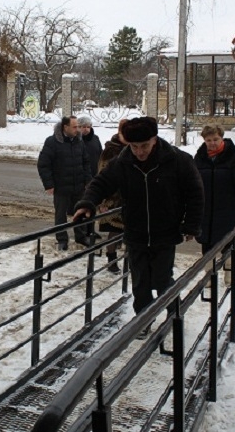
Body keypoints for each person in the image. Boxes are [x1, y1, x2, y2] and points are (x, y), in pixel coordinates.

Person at [73, 116, 204, 337]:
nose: (140, 151)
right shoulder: (123, 162)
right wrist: (88, 203)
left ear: (154, 140)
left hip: (166, 231)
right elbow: (101, 183)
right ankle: (143, 320)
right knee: (140, 280)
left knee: (163, 279)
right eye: (134, 146)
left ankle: (174, 312)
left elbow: (195, 192)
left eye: (144, 146)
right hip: (135, 232)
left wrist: (191, 224)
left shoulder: (178, 160)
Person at [194, 125, 235, 283]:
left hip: (227, 209)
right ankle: (209, 278)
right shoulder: (200, 157)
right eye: (208, 140)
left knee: (228, 243)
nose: (212, 143)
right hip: (206, 210)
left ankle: (229, 274)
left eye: (215, 139)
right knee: (207, 245)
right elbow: (192, 182)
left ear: (222, 137)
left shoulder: (233, 157)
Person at [37, 115, 92, 250]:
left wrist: (87, 180)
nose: (77, 129)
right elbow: (43, 164)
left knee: (80, 212)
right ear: (65, 127)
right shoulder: (52, 142)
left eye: (78, 126)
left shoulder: (79, 141)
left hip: (78, 186)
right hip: (61, 187)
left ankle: (81, 236)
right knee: (61, 215)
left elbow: (85, 162)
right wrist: (49, 184)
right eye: (74, 127)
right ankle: (62, 240)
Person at [97, 118, 128, 274]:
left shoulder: (134, 148)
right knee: (114, 231)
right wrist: (103, 200)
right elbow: (102, 175)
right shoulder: (111, 150)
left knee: (130, 232)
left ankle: (131, 262)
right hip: (113, 199)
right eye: (124, 132)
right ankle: (112, 260)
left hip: (130, 198)